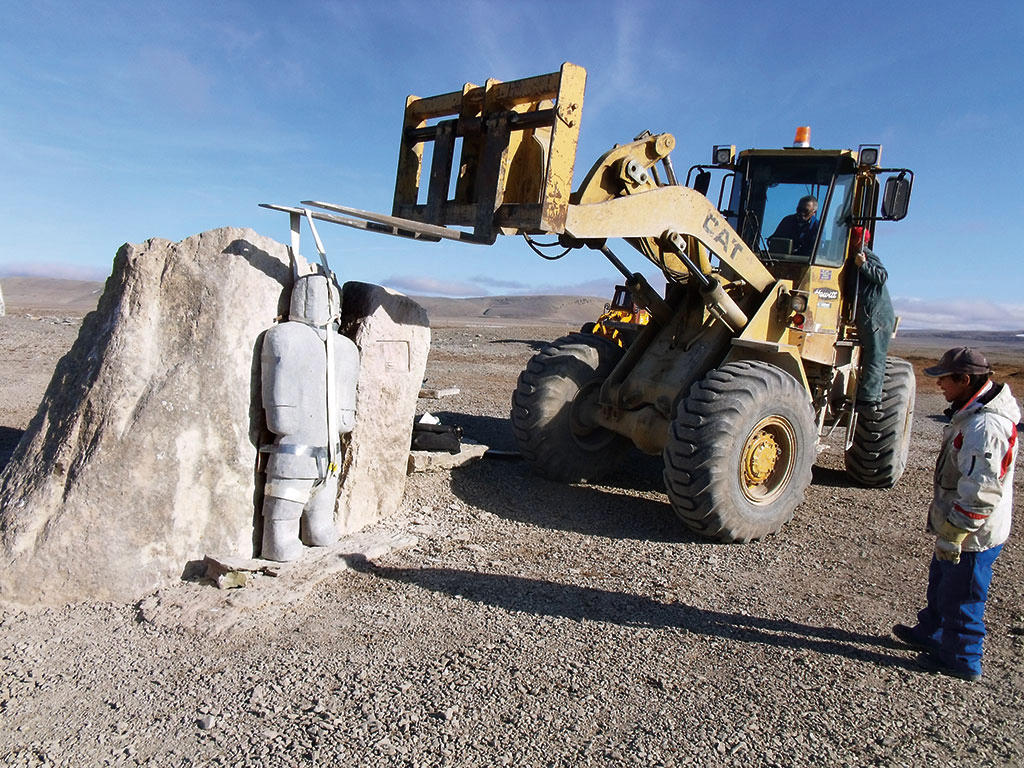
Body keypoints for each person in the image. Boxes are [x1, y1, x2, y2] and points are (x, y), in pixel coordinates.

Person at [892, 347, 1020, 681]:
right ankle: (932, 632)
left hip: (973, 533)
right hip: (958, 526)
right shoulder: (972, 413)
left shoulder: (986, 427)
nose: (939, 386)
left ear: (965, 380)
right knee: (943, 584)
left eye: (945, 380)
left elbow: (982, 490)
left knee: (962, 596)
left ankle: (962, 657)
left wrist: (955, 533)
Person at [847, 227, 895, 410]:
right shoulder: (851, 259)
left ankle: (870, 399)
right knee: (870, 354)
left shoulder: (865, 255)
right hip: (867, 313)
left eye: (853, 239)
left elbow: (882, 276)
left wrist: (864, 265)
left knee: (875, 355)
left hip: (877, 315)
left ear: (859, 240)